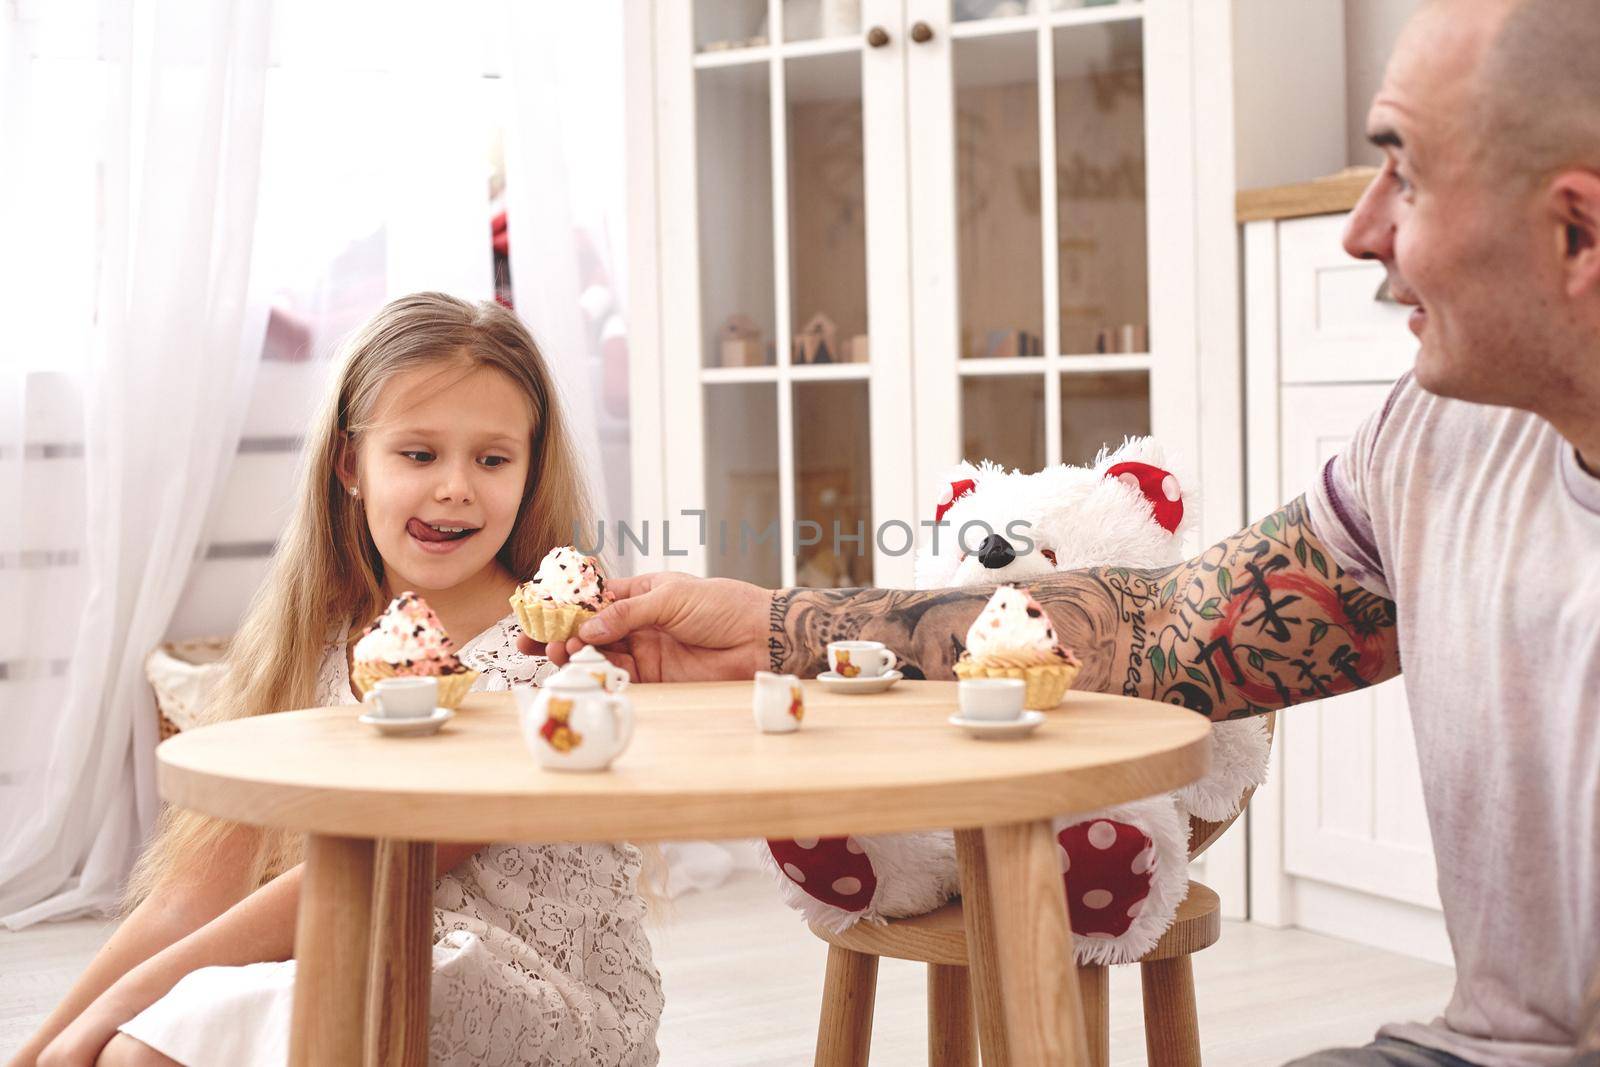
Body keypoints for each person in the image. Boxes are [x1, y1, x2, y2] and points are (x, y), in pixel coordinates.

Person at [532, 1, 1600, 1063]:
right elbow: (1171, 627)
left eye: (1404, 175)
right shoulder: (1440, 437)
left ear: (1576, 232)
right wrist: (775, 626)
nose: (1360, 228)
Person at [12, 294, 663, 1067]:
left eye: (492, 459)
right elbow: (194, 893)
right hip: (361, 945)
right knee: (124, 1047)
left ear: (530, 470)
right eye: (418, 454)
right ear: (350, 464)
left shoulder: (551, 660)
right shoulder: (315, 647)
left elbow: (382, 864)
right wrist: (42, 1047)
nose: (456, 486)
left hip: (535, 998)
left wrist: (125, 1007)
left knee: (140, 1047)